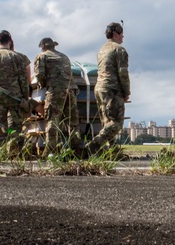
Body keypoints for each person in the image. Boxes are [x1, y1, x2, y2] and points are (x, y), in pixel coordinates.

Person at [85, 22, 131, 156]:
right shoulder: (119, 49)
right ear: (116, 34)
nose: (123, 37)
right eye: (121, 34)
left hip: (99, 88)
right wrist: (126, 91)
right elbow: (123, 73)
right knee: (116, 123)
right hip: (112, 89)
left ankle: (114, 151)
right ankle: (94, 144)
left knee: (107, 121)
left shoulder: (102, 50)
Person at [0, 30, 32, 143]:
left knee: (1, 122)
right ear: (9, 41)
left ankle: (0, 147)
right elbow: (23, 80)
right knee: (15, 124)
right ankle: (13, 147)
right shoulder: (17, 57)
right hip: (15, 97)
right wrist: (25, 98)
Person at [34, 37, 81, 154]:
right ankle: (76, 150)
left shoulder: (42, 56)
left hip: (55, 91)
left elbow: (40, 74)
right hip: (71, 90)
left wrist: (43, 84)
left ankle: (51, 150)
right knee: (72, 122)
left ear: (43, 46)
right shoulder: (64, 56)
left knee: (52, 120)